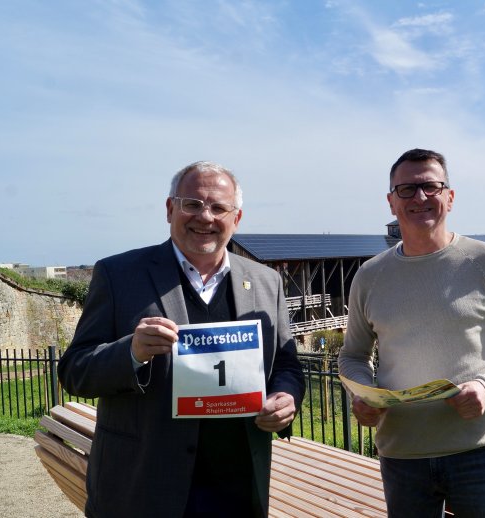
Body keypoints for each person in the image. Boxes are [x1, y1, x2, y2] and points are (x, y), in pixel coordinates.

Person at [58, 161, 305, 518]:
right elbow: (74, 371)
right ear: (170, 209)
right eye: (192, 204)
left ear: (236, 219)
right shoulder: (118, 274)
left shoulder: (267, 281)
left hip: (238, 490)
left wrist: (286, 396)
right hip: (143, 487)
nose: (205, 217)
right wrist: (131, 352)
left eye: (219, 207)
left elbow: (286, 365)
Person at [338, 148, 485, 517]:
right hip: (402, 454)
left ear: (449, 197)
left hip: (480, 452)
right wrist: (361, 394)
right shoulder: (369, 276)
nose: (419, 197)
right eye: (406, 189)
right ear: (391, 202)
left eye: (430, 187)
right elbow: (353, 355)